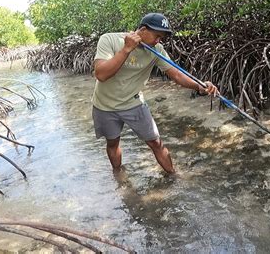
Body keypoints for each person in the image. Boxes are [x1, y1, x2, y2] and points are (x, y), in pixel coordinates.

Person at [92, 12, 219, 174]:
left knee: (156, 143)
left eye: (162, 38)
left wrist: (200, 86)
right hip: (104, 106)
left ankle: (174, 176)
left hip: (134, 103)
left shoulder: (156, 50)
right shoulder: (109, 39)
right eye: (157, 36)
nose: (159, 41)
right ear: (143, 30)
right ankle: (119, 176)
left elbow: (177, 74)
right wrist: (126, 49)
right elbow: (101, 75)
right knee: (113, 143)